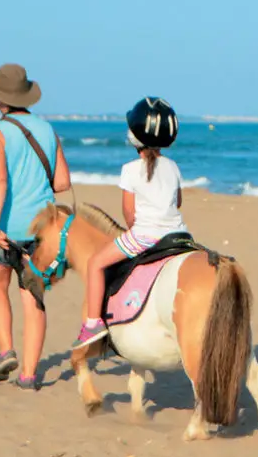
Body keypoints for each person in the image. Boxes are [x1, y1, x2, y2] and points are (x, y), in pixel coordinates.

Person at [0, 63, 72, 390]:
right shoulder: (47, 130)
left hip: (7, 225)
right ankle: (30, 374)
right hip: (43, 229)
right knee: (33, 296)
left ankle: (6, 350)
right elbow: (62, 182)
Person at [73, 97, 186, 349]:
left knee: (95, 264)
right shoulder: (174, 167)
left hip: (144, 236)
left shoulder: (129, 169)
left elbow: (129, 215)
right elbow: (177, 202)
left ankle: (93, 323)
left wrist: (138, 226)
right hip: (179, 235)